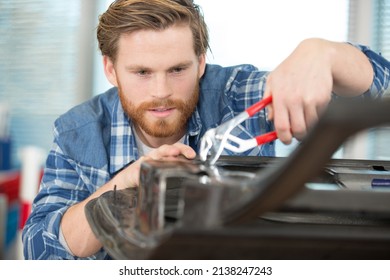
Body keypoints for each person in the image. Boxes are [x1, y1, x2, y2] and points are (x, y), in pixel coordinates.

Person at [22, 0, 390, 260]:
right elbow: (39, 249)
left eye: (178, 69)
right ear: (110, 69)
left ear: (201, 62)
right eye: (142, 72)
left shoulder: (235, 95)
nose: (161, 91)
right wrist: (132, 180)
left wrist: (324, 54)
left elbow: (380, 85)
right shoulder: (77, 131)